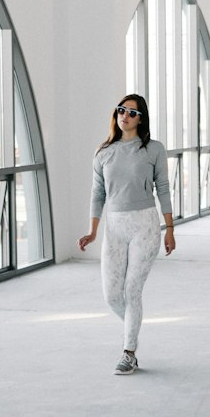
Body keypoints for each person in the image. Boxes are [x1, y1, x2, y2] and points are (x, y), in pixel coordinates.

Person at [78, 94, 175, 374]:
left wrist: (170, 229)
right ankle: (133, 328)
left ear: (141, 118)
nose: (125, 116)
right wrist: (92, 230)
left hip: (145, 224)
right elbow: (98, 194)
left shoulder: (153, 149)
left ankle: (128, 352)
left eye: (132, 113)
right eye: (121, 110)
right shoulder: (103, 152)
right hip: (114, 226)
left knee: (132, 290)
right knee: (112, 296)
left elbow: (164, 189)